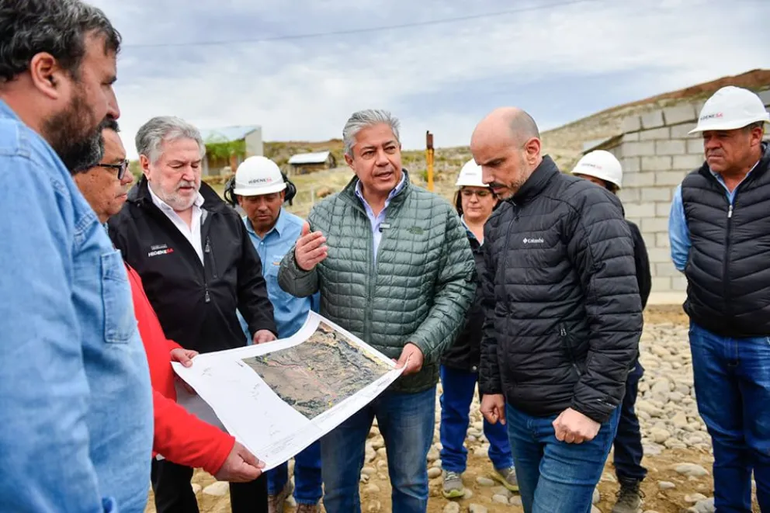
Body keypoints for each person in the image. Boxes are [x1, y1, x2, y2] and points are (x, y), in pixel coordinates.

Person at [278, 109, 476, 513]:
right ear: (350, 160)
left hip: (407, 382)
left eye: (390, 148)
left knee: (409, 483)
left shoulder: (437, 214)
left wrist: (424, 344)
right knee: (337, 488)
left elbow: (458, 288)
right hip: (342, 382)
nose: (382, 160)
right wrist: (297, 264)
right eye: (369, 152)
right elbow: (298, 287)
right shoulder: (325, 213)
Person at [0, 2, 154, 512]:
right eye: (105, 81)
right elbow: (28, 402)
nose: (114, 107)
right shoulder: (17, 166)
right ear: (47, 73)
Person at [71, 119, 265, 485]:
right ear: (147, 164)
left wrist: (262, 325)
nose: (190, 175)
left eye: (194, 165)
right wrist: (163, 360)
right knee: (172, 480)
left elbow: (250, 280)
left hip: (226, 363)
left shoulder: (223, 215)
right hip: (167, 384)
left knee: (249, 463)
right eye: (178, 166)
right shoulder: (121, 222)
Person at [472, 107, 642, 513]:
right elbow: (496, 312)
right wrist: (492, 384)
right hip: (519, 412)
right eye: (481, 166)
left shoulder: (587, 206)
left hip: (572, 414)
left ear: (532, 149)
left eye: (496, 163)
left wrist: (588, 406)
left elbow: (619, 315)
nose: (486, 178)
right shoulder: (501, 221)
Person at [669, 86, 770, 513]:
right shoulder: (691, 188)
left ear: (756, 135)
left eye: (723, 135)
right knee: (725, 440)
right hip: (708, 337)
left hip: (764, 342)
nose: (711, 144)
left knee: (767, 444)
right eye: (706, 137)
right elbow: (680, 252)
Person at [229, 156, 323, 513]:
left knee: (306, 428)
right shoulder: (229, 236)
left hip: (297, 352)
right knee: (264, 429)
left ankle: (310, 496)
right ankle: (274, 487)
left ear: (284, 193)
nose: (263, 206)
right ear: (238, 199)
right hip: (249, 354)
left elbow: (317, 292)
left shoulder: (303, 232)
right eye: (253, 199)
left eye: (270, 196)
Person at [572, 150, 652, 513]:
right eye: (581, 184)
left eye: (594, 186)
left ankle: (630, 483)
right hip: (574, 354)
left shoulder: (627, 233)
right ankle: (581, 486)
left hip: (615, 354)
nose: (585, 192)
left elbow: (639, 292)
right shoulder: (566, 229)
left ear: (611, 191)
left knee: (623, 419)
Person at [439, 159, 517, 499]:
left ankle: (504, 461)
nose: (474, 200)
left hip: (498, 347)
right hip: (455, 346)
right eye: (467, 193)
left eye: (481, 193)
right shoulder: (447, 238)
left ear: (495, 196)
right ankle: (452, 467)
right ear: (460, 197)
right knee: (454, 409)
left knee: (498, 409)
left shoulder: (508, 234)